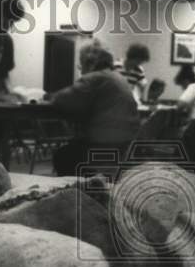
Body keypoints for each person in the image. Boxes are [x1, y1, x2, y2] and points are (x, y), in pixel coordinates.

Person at [50, 42, 141, 176]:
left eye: (81, 65)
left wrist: (48, 96)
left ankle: (79, 192)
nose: (81, 70)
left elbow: (60, 100)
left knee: (63, 156)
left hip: (102, 145)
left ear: (89, 63)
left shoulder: (95, 77)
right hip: (125, 146)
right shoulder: (119, 78)